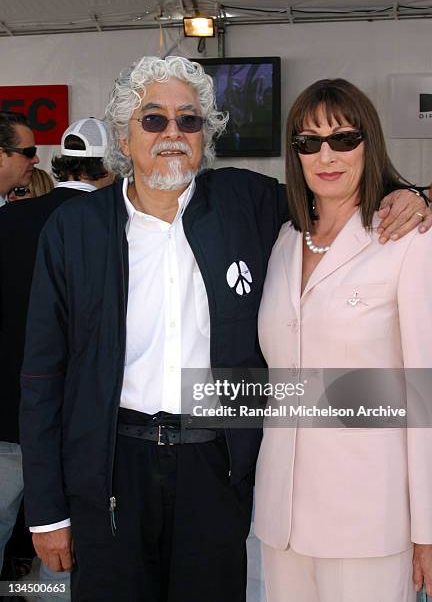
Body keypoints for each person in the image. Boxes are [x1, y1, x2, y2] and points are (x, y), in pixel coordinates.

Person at [19, 57, 430, 602]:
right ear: (123, 133)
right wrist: (47, 510)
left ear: (205, 134)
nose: (173, 134)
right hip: (113, 466)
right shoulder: (75, 230)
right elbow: (43, 374)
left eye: (189, 121)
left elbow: (341, 192)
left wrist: (416, 196)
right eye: (154, 120)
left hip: (215, 470)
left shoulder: (247, 204)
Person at [254, 78, 432, 602]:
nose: (326, 155)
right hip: (281, 517)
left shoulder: (408, 241)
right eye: (309, 142)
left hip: (368, 520)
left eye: (343, 138)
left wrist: (427, 528)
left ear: (369, 143)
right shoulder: (284, 241)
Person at [0, 117, 112, 600]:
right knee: (68, 550)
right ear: (110, 167)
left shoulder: (9, 219)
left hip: (6, 416)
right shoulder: (115, 226)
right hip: (82, 425)